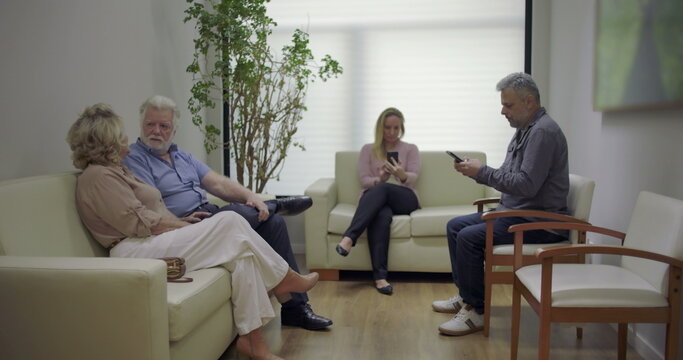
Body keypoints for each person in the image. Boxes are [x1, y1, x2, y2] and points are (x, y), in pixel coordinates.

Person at [67, 103, 318, 360]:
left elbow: (156, 211)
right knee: (230, 221)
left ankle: (253, 343)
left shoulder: (116, 170)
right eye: (120, 134)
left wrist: (182, 222)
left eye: (164, 126)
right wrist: (185, 226)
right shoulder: (98, 177)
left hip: (151, 240)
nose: (126, 140)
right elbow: (141, 223)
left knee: (242, 257)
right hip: (134, 250)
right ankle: (284, 277)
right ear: (106, 141)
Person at [123, 95, 332, 330]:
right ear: (141, 124)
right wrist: (177, 222)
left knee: (273, 224)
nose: (156, 131)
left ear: (174, 129)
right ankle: (277, 204)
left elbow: (219, 184)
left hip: (208, 214)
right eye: (150, 124)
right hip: (185, 227)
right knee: (233, 216)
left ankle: (296, 310)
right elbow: (151, 204)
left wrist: (251, 197)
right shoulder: (134, 158)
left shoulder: (181, 156)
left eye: (164, 126)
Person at [432, 72, 569, 336]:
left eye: (508, 104)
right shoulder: (523, 132)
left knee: (470, 237)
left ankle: (477, 312)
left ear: (529, 102)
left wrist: (481, 171)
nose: (502, 111)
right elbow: (510, 176)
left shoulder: (542, 133)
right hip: (517, 213)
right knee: (455, 226)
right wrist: (477, 171)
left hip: (538, 221)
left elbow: (526, 184)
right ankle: (466, 297)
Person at [334, 107, 421, 295]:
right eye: (387, 128)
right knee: (381, 215)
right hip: (376, 202)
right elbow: (364, 180)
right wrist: (380, 178)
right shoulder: (368, 150)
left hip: (405, 199)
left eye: (396, 128)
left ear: (401, 128)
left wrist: (401, 174)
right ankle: (380, 278)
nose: (391, 132)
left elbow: (414, 176)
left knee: (382, 189)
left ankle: (349, 237)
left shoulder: (410, 149)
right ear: (380, 128)